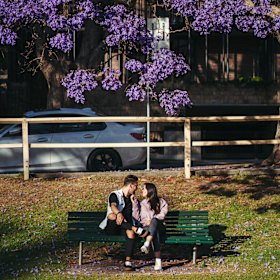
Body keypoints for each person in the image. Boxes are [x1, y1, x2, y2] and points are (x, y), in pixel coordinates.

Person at [99, 174, 148, 271]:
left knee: (131, 232)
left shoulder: (132, 199)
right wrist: (119, 213)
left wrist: (134, 204)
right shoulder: (115, 194)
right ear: (131, 186)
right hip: (111, 226)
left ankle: (128, 262)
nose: (136, 189)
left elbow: (136, 215)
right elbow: (113, 206)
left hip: (125, 226)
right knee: (112, 216)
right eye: (136, 186)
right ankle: (135, 229)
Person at [139, 182, 168, 271]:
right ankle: (158, 262)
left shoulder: (161, 202)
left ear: (149, 190)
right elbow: (140, 217)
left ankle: (147, 242)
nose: (142, 190)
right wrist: (146, 222)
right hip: (147, 228)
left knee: (155, 222)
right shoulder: (142, 203)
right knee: (154, 232)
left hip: (159, 226)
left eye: (144, 188)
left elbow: (162, 215)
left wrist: (152, 220)